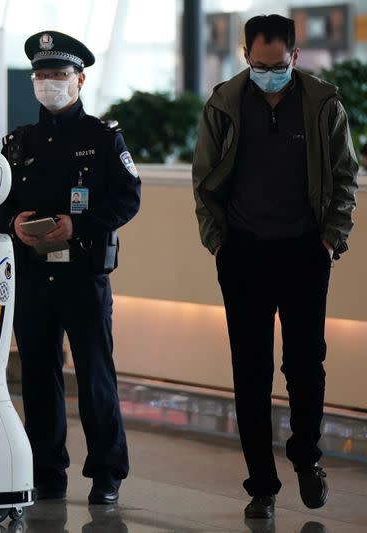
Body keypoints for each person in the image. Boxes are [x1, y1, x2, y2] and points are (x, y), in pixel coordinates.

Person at [192, 15, 358, 520]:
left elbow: (345, 175)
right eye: (259, 64)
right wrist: (217, 242)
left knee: (306, 366)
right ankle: (261, 485)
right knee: (251, 373)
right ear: (245, 56)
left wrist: (332, 238)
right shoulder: (223, 103)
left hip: (306, 252)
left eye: (277, 64)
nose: (268, 72)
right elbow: (203, 180)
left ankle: (307, 458)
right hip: (243, 254)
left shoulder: (322, 102)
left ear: (295, 56)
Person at [0, 31, 141, 505]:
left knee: (94, 375)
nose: (48, 82)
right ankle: (46, 470)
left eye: (58, 74)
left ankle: (107, 474)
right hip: (32, 275)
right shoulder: (18, 143)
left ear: (80, 79)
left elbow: (127, 198)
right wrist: (13, 221)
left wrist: (79, 226)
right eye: (41, 74)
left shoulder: (102, 137)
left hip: (83, 273)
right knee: (37, 375)